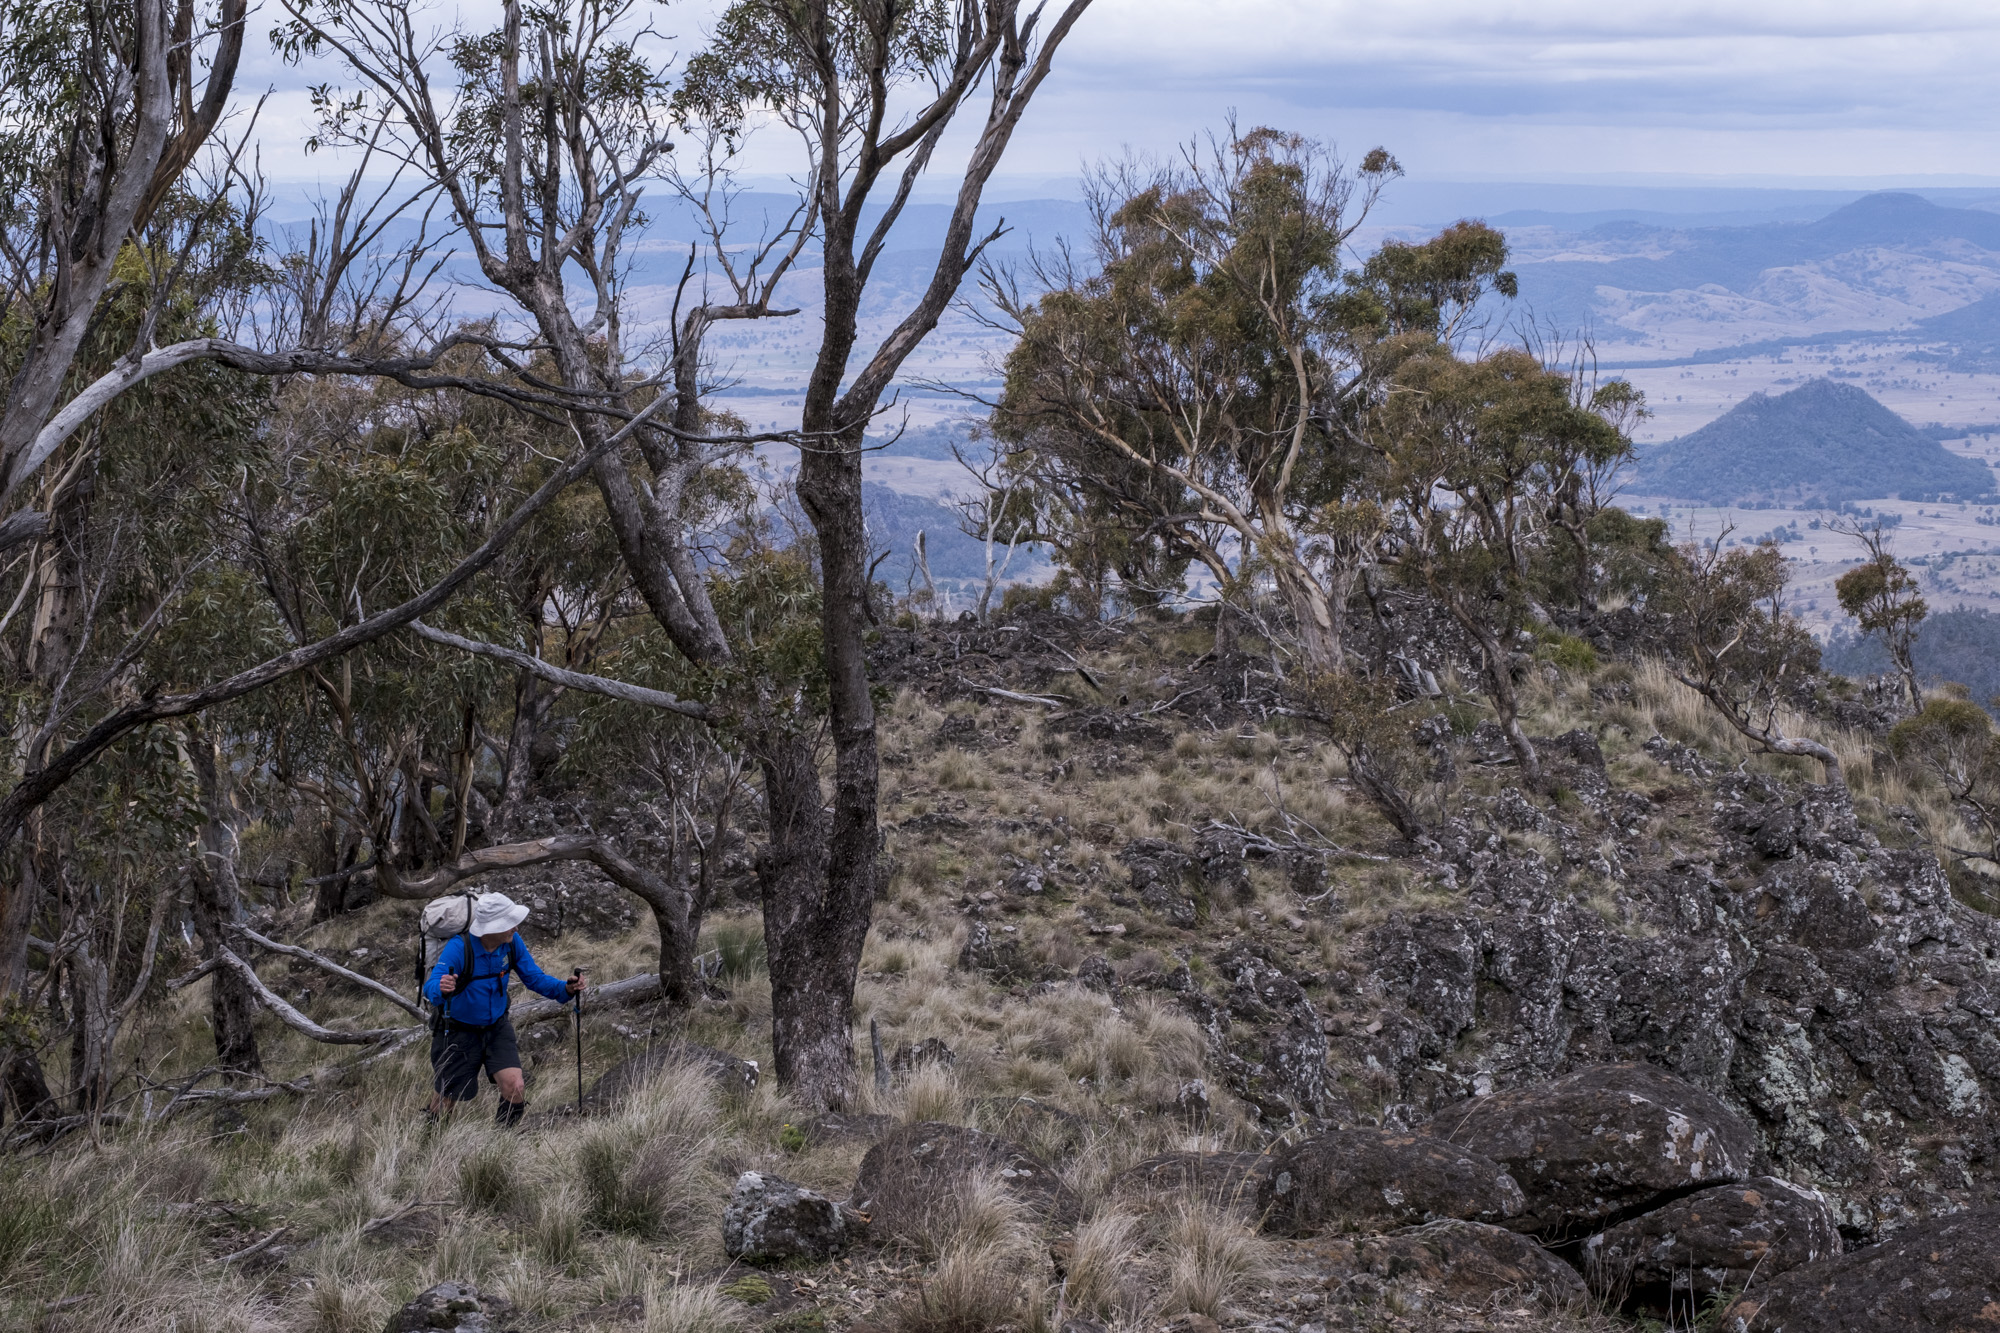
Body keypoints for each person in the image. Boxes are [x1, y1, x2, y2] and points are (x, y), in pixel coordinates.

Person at [423, 891, 586, 1127]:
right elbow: (431, 986)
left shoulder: (511, 944)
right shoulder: (459, 948)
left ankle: (503, 1141)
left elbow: (534, 978)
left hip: (497, 1026)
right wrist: (441, 988)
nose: (516, 929)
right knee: (447, 1096)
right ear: (491, 927)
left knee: (515, 1086)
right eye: (510, 924)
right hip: (457, 1030)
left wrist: (566, 989)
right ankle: (431, 1137)